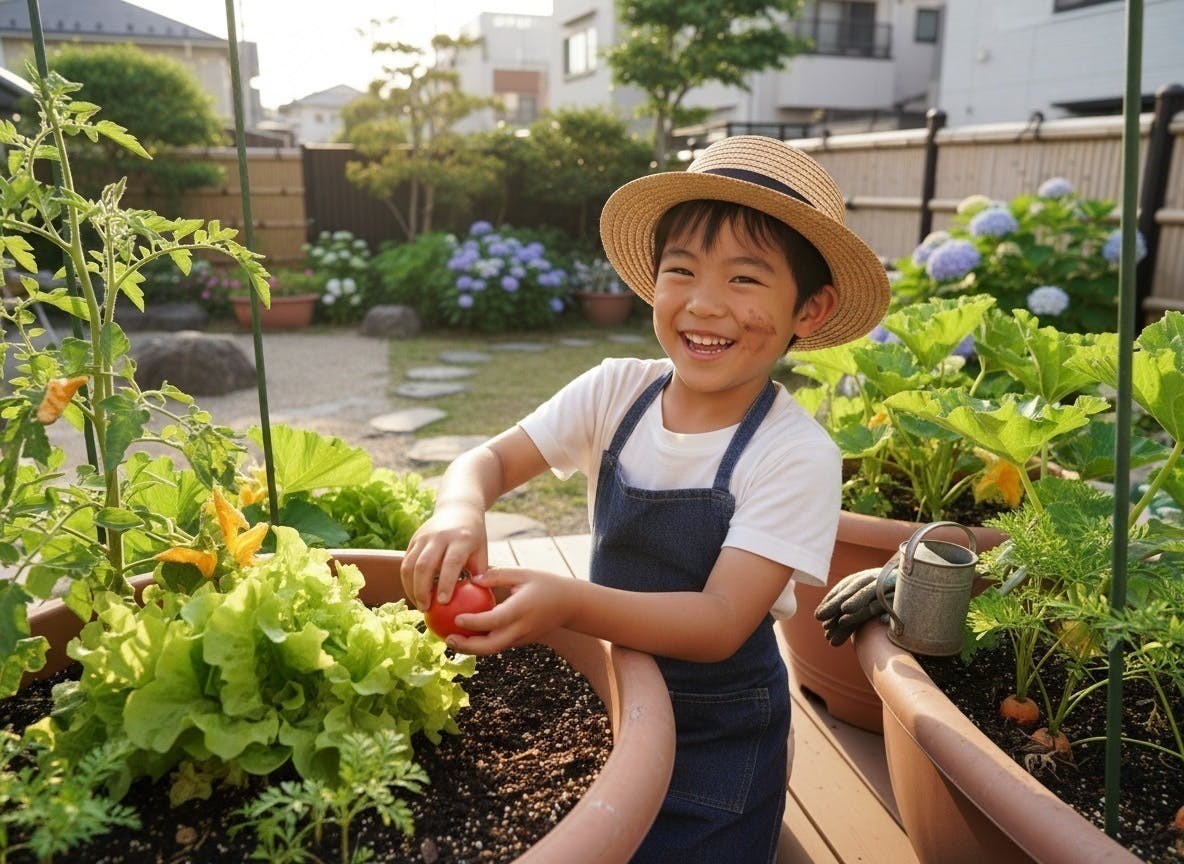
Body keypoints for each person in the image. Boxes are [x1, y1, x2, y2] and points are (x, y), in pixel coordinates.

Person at [401, 135, 890, 863]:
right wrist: (458, 508)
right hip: (618, 702)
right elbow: (488, 459)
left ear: (809, 311)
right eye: (681, 270)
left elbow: (721, 620)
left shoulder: (795, 454)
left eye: (745, 280)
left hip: (717, 732)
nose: (703, 304)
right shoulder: (614, 390)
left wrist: (567, 603)